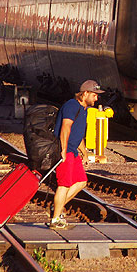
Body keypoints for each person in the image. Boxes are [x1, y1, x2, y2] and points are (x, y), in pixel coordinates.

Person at [49, 79, 102, 229]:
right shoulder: (71, 105)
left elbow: (77, 134)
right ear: (85, 93)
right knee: (64, 184)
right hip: (65, 150)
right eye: (94, 95)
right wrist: (63, 150)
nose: (96, 98)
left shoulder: (83, 109)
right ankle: (55, 219)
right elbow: (65, 127)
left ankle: (57, 207)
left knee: (81, 181)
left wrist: (84, 153)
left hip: (73, 151)